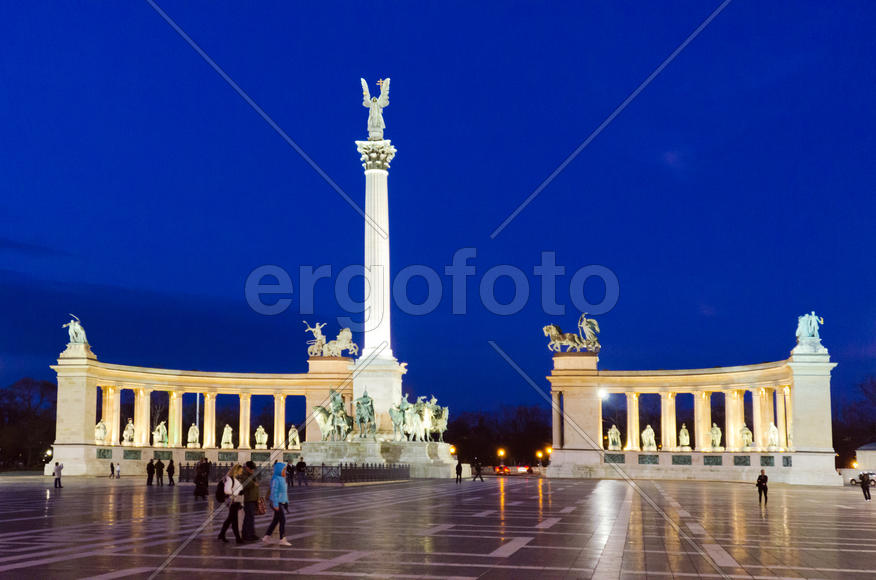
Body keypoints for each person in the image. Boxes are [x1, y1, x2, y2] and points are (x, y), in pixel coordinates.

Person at [262, 462, 291, 546]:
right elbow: (274, 492)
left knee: (276, 521)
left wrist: (286, 502)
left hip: (281, 502)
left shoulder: (282, 478)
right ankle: (282, 539)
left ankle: (266, 537)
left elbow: (284, 492)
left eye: (285, 469)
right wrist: (275, 504)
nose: (285, 471)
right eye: (284, 469)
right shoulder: (275, 479)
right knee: (282, 520)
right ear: (279, 469)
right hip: (276, 502)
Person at [218, 465, 244, 544]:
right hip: (233, 501)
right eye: (240, 470)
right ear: (236, 470)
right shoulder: (230, 479)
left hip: (236, 501)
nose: (241, 472)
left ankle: (222, 534)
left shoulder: (235, 479)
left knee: (230, 519)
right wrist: (237, 493)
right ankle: (238, 538)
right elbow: (227, 490)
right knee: (234, 520)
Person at [240, 461, 260, 542]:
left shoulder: (251, 475)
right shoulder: (243, 475)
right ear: (247, 468)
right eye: (251, 469)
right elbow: (244, 485)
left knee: (251, 518)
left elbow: (256, 484)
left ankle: (251, 533)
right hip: (248, 499)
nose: (253, 470)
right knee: (248, 517)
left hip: (253, 498)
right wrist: (253, 483)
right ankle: (246, 535)